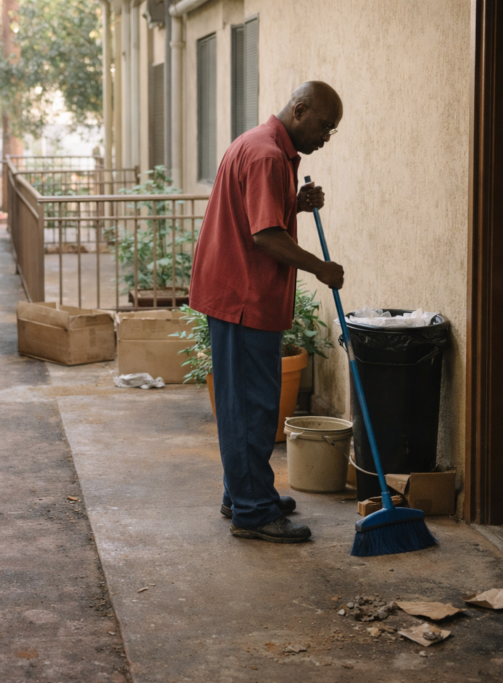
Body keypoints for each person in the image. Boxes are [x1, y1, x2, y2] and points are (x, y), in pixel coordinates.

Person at [189, 81, 345, 543]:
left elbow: (258, 214)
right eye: (323, 126)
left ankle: (240, 494)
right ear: (299, 110)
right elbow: (264, 236)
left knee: (248, 404)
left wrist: (295, 203)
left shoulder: (261, 145)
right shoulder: (267, 156)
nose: (325, 137)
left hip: (240, 294)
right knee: (250, 408)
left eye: (332, 131)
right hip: (242, 299)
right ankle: (253, 512)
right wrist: (321, 268)